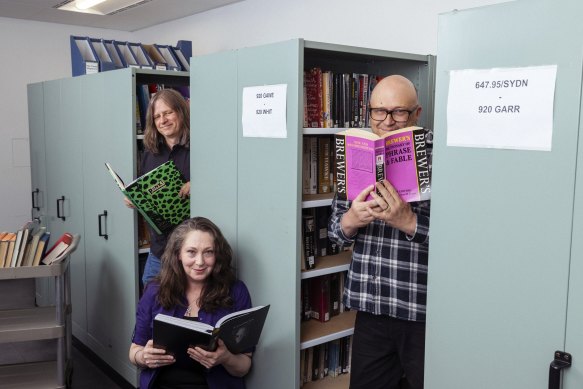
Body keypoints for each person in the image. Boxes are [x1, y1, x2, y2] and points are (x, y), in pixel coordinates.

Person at [328, 75, 432, 389]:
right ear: (369, 111)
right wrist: (351, 220)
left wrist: (411, 222)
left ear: (417, 113)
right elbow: (335, 232)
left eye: (399, 112)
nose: (387, 121)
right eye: (379, 111)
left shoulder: (447, 158)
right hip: (371, 304)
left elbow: (468, 241)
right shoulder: (357, 152)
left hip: (421, 310)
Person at [129, 217, 254, 389]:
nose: (200, 261)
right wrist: (143, 356)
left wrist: (226, 358)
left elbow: (243, 367)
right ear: (178, 254)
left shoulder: (236, 291)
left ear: (217, 254)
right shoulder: (154, 291)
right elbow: (134, 351)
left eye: (208, 252)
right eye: (191, 252)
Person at [125, 88, 191, 286]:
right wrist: (134, 199)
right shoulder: (150, 154)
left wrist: (201, 185)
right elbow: (148, 192)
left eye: (168, 113)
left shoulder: (202, 147)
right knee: (150, 299)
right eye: (157, 116)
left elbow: (224, 184)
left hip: (192, 248)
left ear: (181, 112)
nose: (163, 120)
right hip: (160, 249)